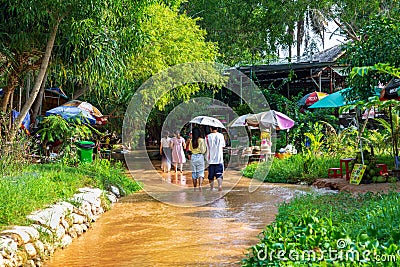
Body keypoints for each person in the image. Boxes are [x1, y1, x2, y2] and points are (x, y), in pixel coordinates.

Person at [205, 126, 226, 191]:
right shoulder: (221, 136)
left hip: (210, 159)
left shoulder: (207, 137)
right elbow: (223, 146)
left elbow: (206, 147)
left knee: (211, 175)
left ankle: (211, 188)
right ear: (217, 129)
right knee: (219, 174)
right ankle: (220, 186)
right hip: (219, 158)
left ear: (210, 129)